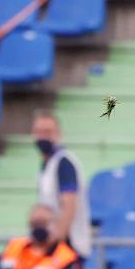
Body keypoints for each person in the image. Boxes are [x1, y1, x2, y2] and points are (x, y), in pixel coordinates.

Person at [32, 110, 92, 258]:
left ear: (58, 134)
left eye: (48, 132)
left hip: (68, 244)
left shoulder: (63, 163)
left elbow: (69, 205)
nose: (43, 137)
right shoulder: (47, 165)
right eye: (39, 132)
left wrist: (56, 242)